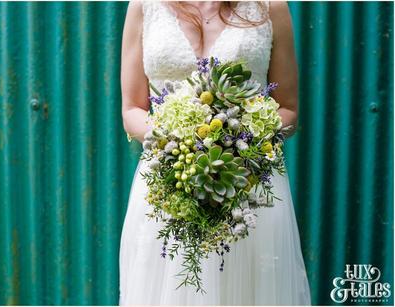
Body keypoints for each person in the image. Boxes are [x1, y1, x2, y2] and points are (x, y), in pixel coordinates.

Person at [119, 1, 311, 305]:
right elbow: (132, 109)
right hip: (168, 185)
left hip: (249, 192)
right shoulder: (144, 6)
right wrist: (180, 143)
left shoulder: (270, 6)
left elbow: (288, 109)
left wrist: (236, 145)